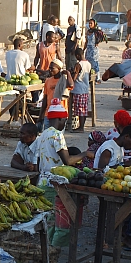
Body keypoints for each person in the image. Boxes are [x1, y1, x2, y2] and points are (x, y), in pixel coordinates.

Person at [35, 99, 90, 247]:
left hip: (42, 183)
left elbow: (38, 163)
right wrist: (84, 154)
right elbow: (67, 161)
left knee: (48, 223)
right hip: (54, 185)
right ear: (59, 118)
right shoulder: (57, 135)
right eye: (65, 119)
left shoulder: (43, 135)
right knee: (60, 224)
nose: (65, 121)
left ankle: (47, 253)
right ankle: (53, 254)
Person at [38, 59, 73, 129]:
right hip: (48, 112)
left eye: (52, 68)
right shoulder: (48, 81)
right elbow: (45, 98)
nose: (50, 70)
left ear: (59, 69)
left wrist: (68, 73)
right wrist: (41, 115)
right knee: (47, 136)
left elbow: (71, 84)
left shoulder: (63, 80)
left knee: (57, 136)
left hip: (60, 113)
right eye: (49, 68)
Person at [71, 49, 92, 133]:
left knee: (79, 110)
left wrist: (71, 73)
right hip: (85, 89)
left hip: (78, 89)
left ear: (77, 56)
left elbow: (74, 78)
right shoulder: (88, 64)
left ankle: (81, 127)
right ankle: (81, 126)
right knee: (84, 109)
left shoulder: (78, 64)